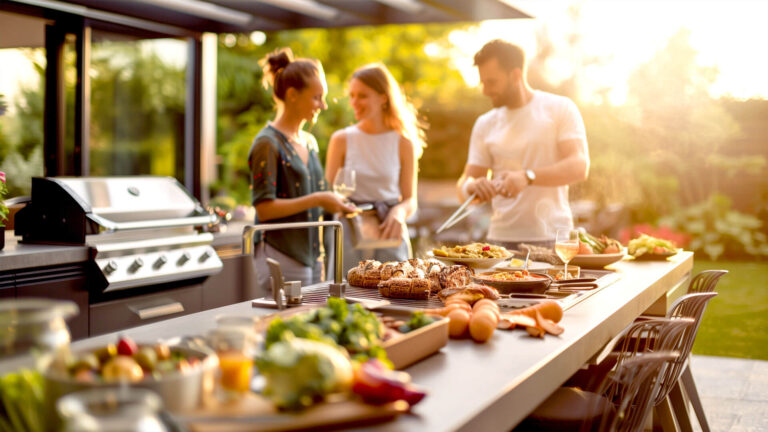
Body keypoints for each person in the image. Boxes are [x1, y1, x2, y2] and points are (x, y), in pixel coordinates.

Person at [456, 39, 590, 251]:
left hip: (553, 239)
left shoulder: (559, 108)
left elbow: (579, 166)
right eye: (483, 82)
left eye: (491, 82)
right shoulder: (485, 123)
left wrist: (528, 177)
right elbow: (466, 180)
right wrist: (471, 186)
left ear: (515, 75)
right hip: (499, 242)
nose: (485, 90)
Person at [249, 48, 356, 292]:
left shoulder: (310, 142)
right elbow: (264, 209)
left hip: (312, 258)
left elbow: (316, 197)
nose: (324, 105)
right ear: (292, 95)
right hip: (280, 255)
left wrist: (336, 204)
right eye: (317, 97)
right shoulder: (267, 144)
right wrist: (319, 199)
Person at [325, 63, 426, 273]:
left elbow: (410, 200)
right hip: (349, 229)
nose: (354, 102)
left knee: (395, 291)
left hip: (389, 228)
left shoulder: (403, 143)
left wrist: (398, 212)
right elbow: (328, 193)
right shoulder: (341, 139)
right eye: (352, 95)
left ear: (383, 98)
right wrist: (341, 204)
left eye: (362, 95)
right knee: (347, 296)